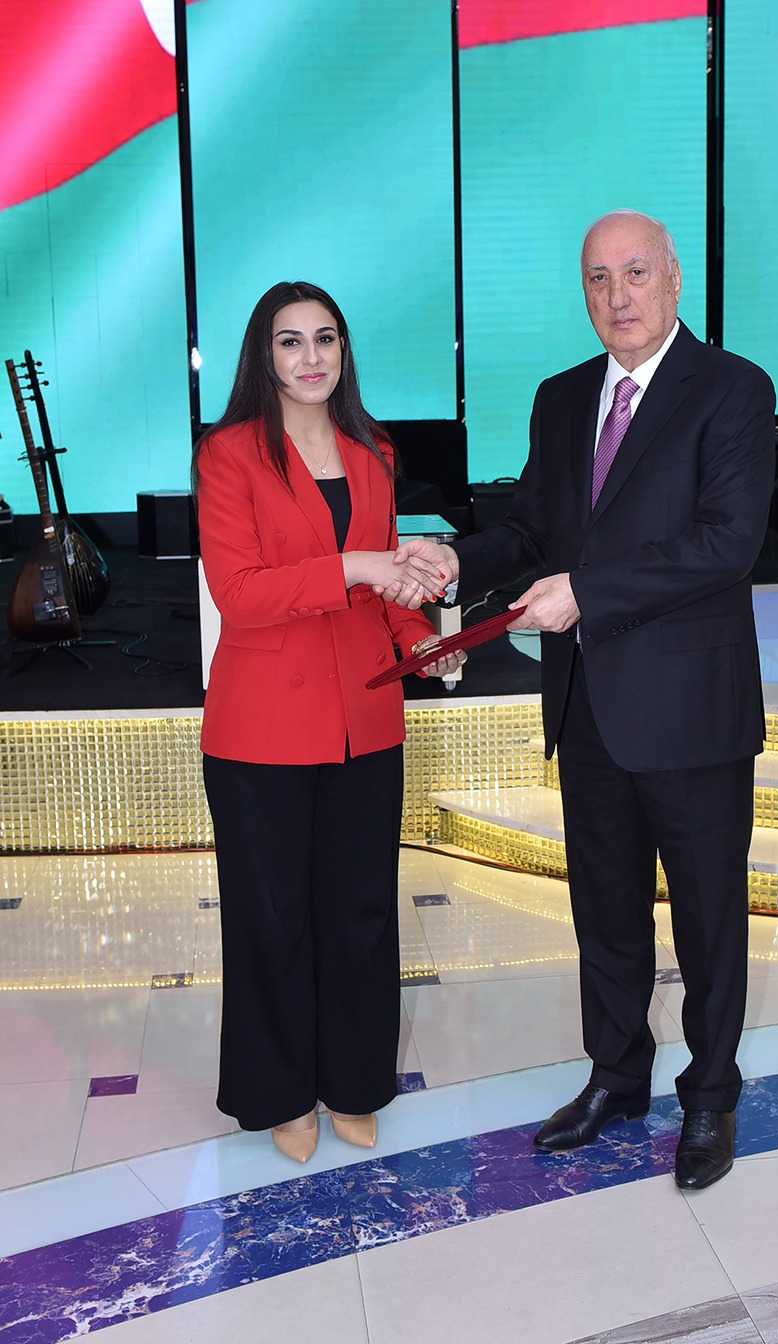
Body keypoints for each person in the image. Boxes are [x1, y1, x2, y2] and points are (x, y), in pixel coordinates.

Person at [390, 211, 775, 1190]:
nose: (618, 295)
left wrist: (589, 593)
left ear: (673, 278)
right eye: (599, 278)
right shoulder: (561, 399)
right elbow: (530, 531)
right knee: (604, 912)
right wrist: (452, 562)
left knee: (708, 918)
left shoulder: (731, 389)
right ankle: (617, 1076)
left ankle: (712, 1096)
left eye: (635, 272)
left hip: (692, 712)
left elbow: (727, 543)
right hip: (588, 706)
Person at [193, 281, 452, 1163]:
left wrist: (423, 643)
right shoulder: (229, 454)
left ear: (344, 351)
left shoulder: (373, 449)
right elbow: (241, 593)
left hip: (366, 717)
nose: (311, 357)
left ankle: (354, 1082)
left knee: (360, 913)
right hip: (262, 726)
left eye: (326, 339)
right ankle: (279, 1094)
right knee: (272, 919)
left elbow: (391, 595)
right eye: (291, 341)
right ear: (263, 356)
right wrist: (355, 564)